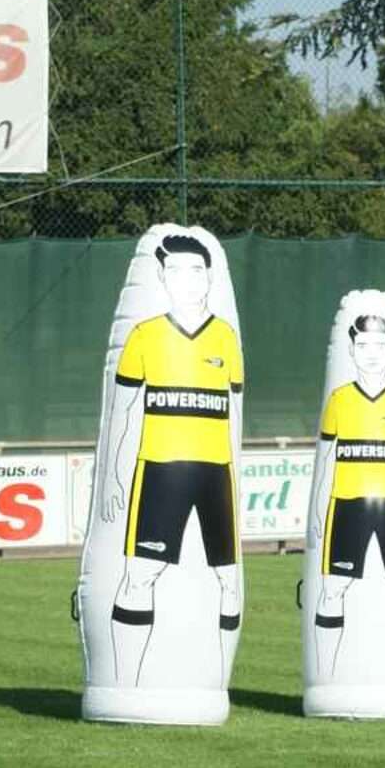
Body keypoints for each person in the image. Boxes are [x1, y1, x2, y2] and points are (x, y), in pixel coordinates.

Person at [99, 233, 244, 684]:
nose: (187, 279)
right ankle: (125, 683)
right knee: (141, 574)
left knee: (228, 579)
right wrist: (115, 478)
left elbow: (235, 413)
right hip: (159, 471)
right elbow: (122, 412)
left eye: (196, 270)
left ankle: (215, 681)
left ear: (209, 277)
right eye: (176, 270)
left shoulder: (225, 337)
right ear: (162, 277)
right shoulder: (144, 336)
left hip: (216, 474)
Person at [311, 313, 385, 677]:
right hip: (347, 506)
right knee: (332, 589)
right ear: (352, 351)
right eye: (362, 345)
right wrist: (318, 510)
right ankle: (328, 676)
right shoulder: (339, 399)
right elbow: (326, 458)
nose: (371, 352)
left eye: (378, 345)